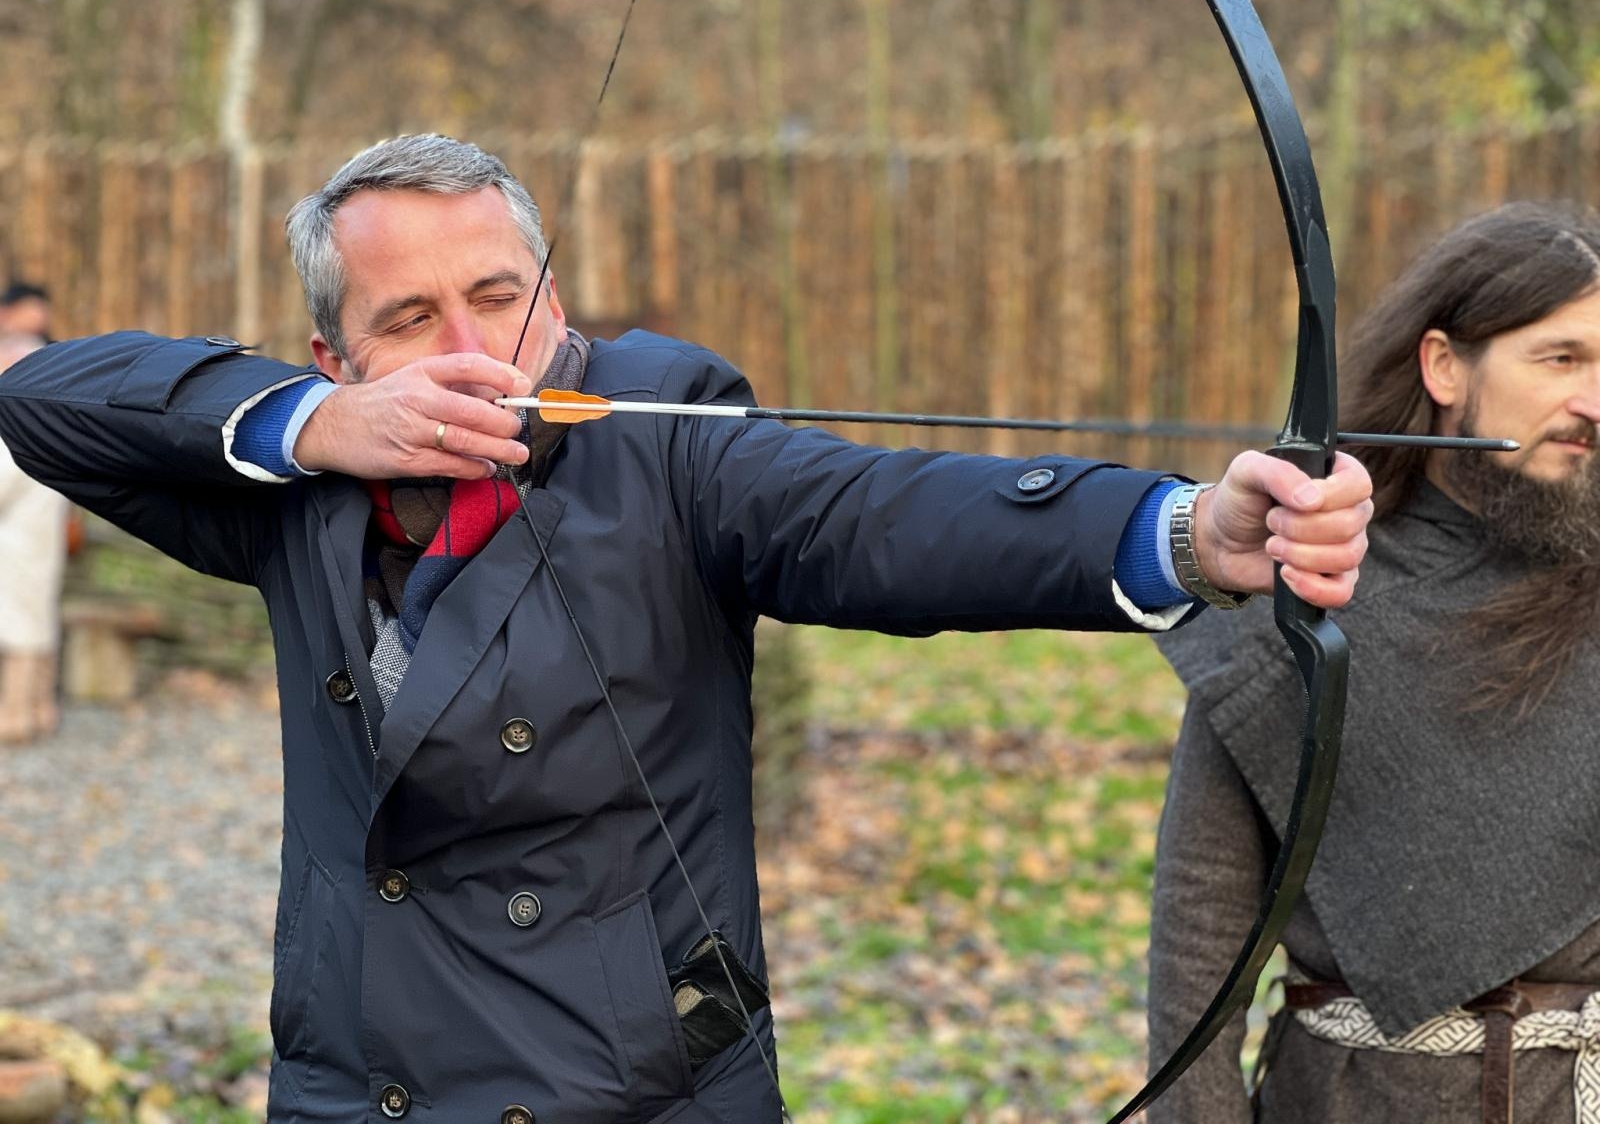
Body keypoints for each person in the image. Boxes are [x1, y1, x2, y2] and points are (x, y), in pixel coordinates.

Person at [0, 133, 1372, 1123]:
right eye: (407, 320)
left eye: (498, 297)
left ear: (556, 302)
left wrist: (1190, 532)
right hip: (358, 1090)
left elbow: (883, 516)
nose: (471, 345)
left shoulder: (666, 440)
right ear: (333, 358)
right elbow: (46, 398)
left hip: (632, 1087)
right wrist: (312, 431)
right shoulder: (294, 493)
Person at [1146, 200, 1600, 1124]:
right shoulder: (1307, 598)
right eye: (1562, 359)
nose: (1594, 400)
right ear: (1443, 365)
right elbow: (1202, 931)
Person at [0, 334, 68, 743]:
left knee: (20, 628)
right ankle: (42, 707)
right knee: (39, 622)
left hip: (17, 543)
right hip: (38, 538)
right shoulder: (48, 419)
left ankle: (16, 715)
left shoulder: (14, 424)